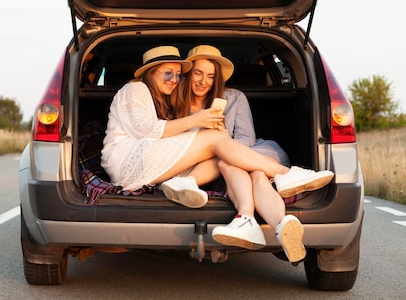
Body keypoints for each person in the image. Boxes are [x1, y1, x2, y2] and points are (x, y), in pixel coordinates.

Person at [100, 45, 334, 212]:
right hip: (128, 162)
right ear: (151, 73)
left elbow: (167, 139)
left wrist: (216, 138)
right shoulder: (136, 89)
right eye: (168, 73)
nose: (173, 79)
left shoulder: (160, 98)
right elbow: (150, 132)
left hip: (150, 164)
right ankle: (286, 174)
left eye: (177, 75)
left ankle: (247, 215)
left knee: (220, 152)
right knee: (215, 143)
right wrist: (198, 122)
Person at [172, 44, 309, 262]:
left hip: (252, 152)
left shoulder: (235, 97)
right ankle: (281, 223)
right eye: (198, 73)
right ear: (188, 74)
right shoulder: (175, 103)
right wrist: (211, 142)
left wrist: (223, 139)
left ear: (217, 79)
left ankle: (252, 219)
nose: (203, 81)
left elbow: (247, 139)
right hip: (213, 165)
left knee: (239, 167)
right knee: (247, 172)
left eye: (210, 76)